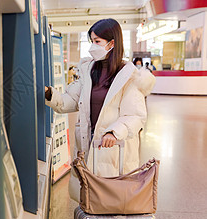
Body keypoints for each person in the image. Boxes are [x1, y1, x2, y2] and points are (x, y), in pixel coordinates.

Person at [44, 18, 155, 202]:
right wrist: (49, 94)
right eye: (92, 41)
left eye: (97, 42)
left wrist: (114, 132)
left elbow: (135, 116)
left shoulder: (129, 76)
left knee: (112, 200)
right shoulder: (88, 70)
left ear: (112, 43)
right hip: (89, 145)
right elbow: (70, 101)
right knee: (90, 199)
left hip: (114, 151)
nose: (92, 47)